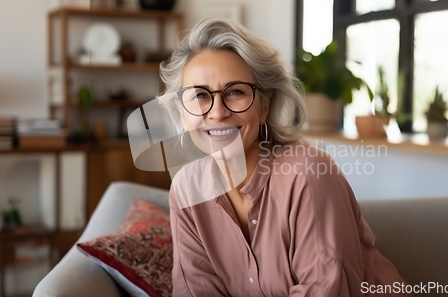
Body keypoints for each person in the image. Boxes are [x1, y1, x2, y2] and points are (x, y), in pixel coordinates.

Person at [159, 17, 410, 296]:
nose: (217, 113)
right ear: (182, 112)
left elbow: (324, 289)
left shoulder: (308, 173)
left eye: (235, 92)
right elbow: (195, 290)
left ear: (265, 106)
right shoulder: (186, 188)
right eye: (200, 96)